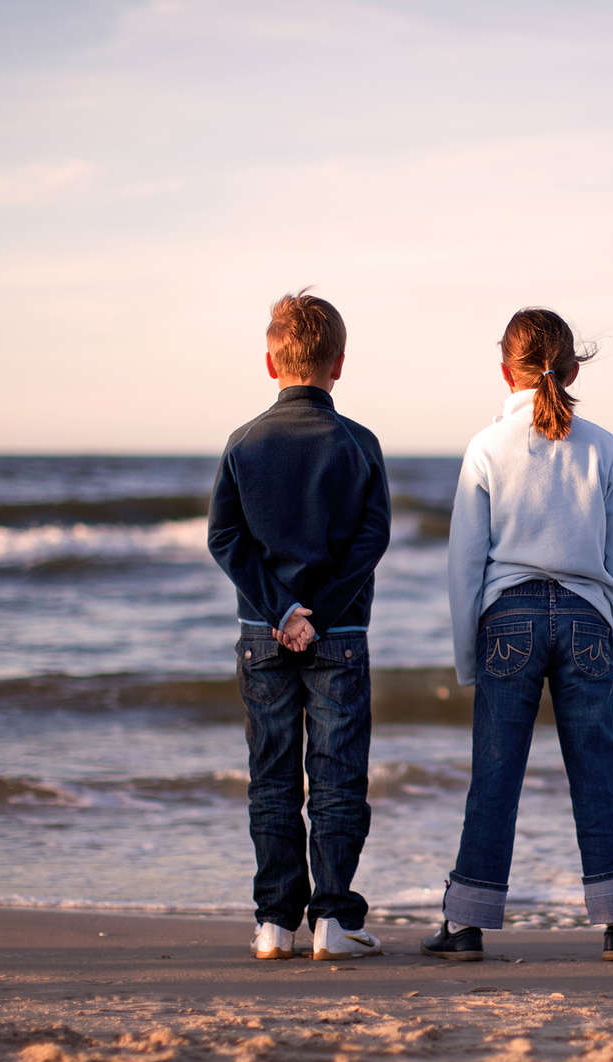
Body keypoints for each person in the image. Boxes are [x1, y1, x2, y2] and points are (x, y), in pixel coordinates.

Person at [421, 307, 613, 962]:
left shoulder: (486, 448)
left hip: (509, 619)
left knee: (495, 772)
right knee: (598, 772)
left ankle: (466, 924)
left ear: (506, 371)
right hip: (587, 616)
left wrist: (468, 658)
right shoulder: (601, 445)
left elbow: (463, 564)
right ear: (574, 368)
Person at [208, 290, 390, 961]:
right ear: (338, 365)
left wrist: (281, 610)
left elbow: (224, 539)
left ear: (269, 363)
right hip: (339, 635)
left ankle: (273, 923)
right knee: (338, 777)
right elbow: (372, 539)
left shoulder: (243, 442)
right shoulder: (359, 443)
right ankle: (335, 921)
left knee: (273, 777)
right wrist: (319, 613)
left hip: (263, 632)